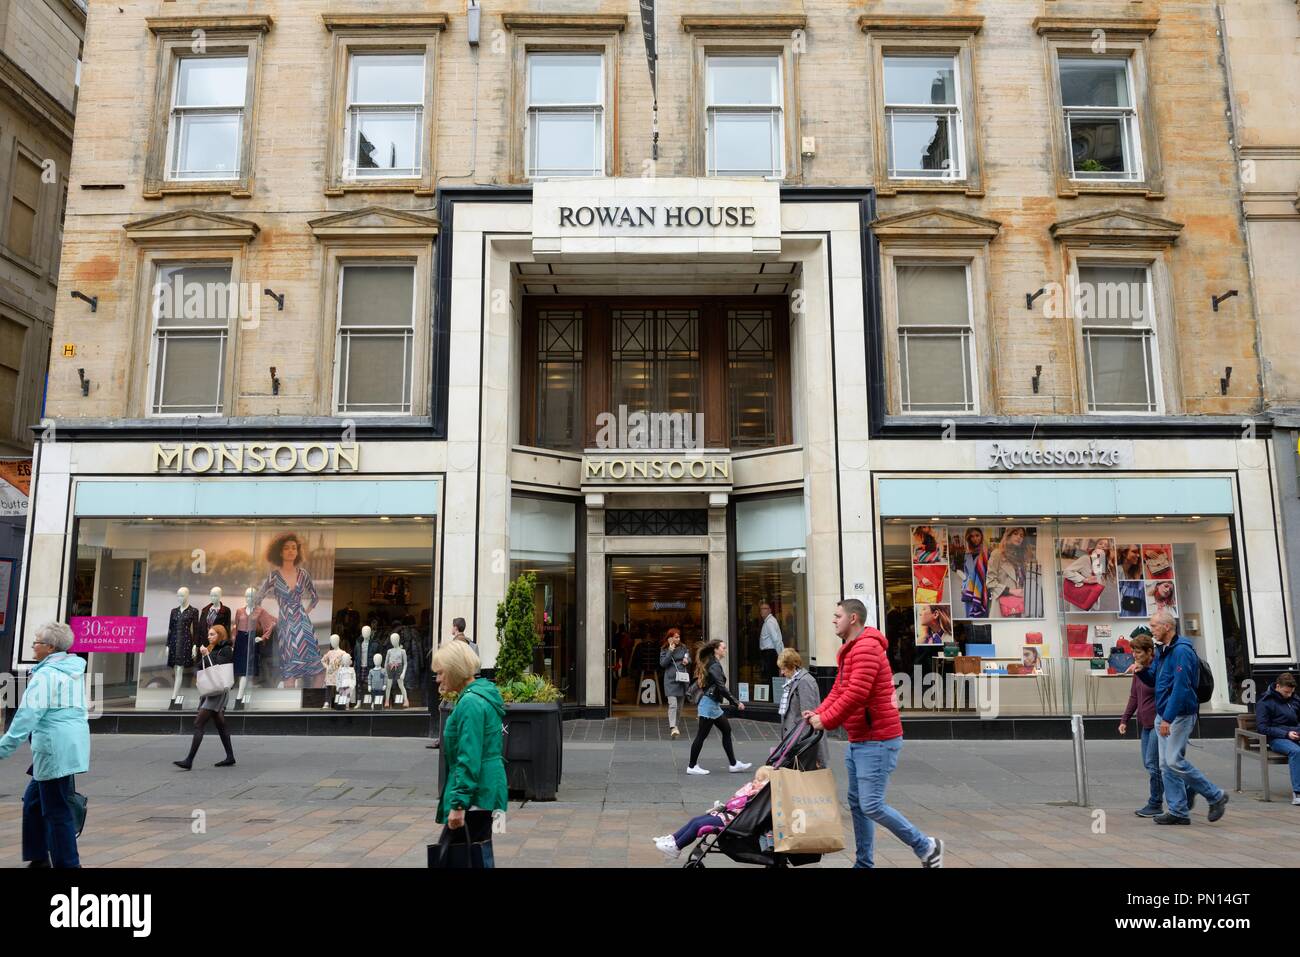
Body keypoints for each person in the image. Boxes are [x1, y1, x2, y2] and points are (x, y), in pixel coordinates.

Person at [806, 599, 944, 869]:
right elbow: (840, 689)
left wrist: (828, 720)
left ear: (853, 618)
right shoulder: (852, 649)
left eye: (838, 616)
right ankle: (864, 864)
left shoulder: (867, 647)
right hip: (861, 738)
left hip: (878, 740)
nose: (834, 620)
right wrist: (818, 712)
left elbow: (857, 693)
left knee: (871, 804)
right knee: (858, 803)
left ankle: (926, 846)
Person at [0, 621, 89, 868]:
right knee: (32, 802)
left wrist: (4, 747)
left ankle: (69, 865)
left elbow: (27, 715)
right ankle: (38, 858)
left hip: (54, 748)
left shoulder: (48, 675)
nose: (33, 645)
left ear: (49, 647)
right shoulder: (70, 669)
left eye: (37, 641)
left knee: (56, 810)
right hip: (67, 746)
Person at [1134, 609, 1228, 825]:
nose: (1152, 631)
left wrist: (1167, 718)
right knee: (1166, 765)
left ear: (1167, 626)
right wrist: (1141, 671)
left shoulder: (1182, 651)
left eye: (1154, 626)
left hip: (1179, 715)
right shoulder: (1163, 650)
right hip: (1164, 715)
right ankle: (1178, 811)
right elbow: (1156, 682)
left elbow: (1181, 688)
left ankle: (1215, 795)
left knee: (1174, 760)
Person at [432, 639, 507, 867]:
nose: (437, 679)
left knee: (461, 857)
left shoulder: (470, 703)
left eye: (441, 672)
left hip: (476, 796)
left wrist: (458, 805)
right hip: (487, 791)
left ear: (454, 670)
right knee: (476, 854)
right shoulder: (480, 696)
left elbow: (469, 756)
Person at [653, 766, 772, 859]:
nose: (754, 781)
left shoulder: (758, 795)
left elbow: (741, 806)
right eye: (755, 778)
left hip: (731, 820)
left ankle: (677, 847)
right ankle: (673, 839)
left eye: (759, 780)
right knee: (695, 820)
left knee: (698, 824)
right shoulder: (754, 792)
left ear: (765, 784)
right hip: (728, 815)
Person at [253, 531, 322, 688]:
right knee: (290, 665)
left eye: (294, 548)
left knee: (315, 666)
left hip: (303, 624)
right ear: (279, 551)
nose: (291, 551)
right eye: (286, 548)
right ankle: (289, 705)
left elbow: (315, 597)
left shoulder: (303, 574)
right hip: (285, 624)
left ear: (297, 551)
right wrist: (270, 618)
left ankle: (312, 704)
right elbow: (258, 598)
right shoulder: (274, 576)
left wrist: (304, 613)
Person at [174, 624, 237, 770]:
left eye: (213, 634)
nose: (209, 637)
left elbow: (218, 668)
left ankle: (189, 760)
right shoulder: (210, 649)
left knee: (198, 723)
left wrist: (206, 655)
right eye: (209, 634)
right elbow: (201, 668)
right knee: (220, 724)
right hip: (210, 690)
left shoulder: (226, 649)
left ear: (220, 635)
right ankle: (230, 756)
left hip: (218, 691)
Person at [687, 640, 751, 775]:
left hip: (712, 704)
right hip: (709, 705)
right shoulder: (714, 665)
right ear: (716, 649)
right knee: (701, 736)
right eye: (723, 648)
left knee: (726, 730)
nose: (725, 650)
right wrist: (736, 702)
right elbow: (721, 687)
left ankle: (733, 764)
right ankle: (692, 766)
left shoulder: (712, 663)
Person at [1119, 629, 1163, 817]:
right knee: (1149, 764)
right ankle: (1185, 787)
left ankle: (1155, 803)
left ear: (1149, 652)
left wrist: (1142, 670)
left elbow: (1155, 685)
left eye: (1138, 652)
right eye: (1133, 652)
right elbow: (1134, 697)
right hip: (1145, 724)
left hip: (1158, 722)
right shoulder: (1138, 670)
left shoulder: (1155, 669)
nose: (1134, 656)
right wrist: (1124, 720)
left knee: (1153, 764)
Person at [775, 648, 829, 768]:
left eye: (784, 668)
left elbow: (809, 718)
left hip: (800, 743)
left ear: (793, 666)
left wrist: (812, 752)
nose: (782, 673)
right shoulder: (793, 681)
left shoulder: (804, 682)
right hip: (794, 741)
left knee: (804, 780)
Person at [1254, 671, 1300, 805]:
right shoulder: (1265, 702)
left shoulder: (1295, 699)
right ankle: (1297, 793)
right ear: (1278, 686)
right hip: (1277, 738)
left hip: (1296, 734)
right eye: (1286, 692)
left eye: (1291, 692)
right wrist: (1286, 734)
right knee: (1296, 752)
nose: (1289, 695)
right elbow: (1262, 728)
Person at [987, 527, 1028, 618]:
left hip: (1018, 604)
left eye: (1021, 535)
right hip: (1002, 605)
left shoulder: (1021, 557)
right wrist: (1011, 591)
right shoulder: (997, 554)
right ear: (1008, 536)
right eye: (1015, 533)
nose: (1019, 537)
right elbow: (990, 582)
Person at [659, 628, 691, 739]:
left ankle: (676, 725)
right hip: (670, 680)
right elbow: (663, 664)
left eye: (679, 637)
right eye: (676, 637)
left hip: (681, 680)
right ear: (670, 638)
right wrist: (670, 650)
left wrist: (687, 660)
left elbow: (688, 657)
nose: (678, 639)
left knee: (679, 707)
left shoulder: (683, 647)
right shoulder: (664, 649)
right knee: (673, 705)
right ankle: (672, 727)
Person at [955, 527, 989, 618]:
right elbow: (959, 570)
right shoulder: (966, 554)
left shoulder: (987, 553)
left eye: (977, 535)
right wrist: (964, 583)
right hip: (968, 590)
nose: (975, 539)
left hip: (983, 590)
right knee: (970, 618)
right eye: (972, 536)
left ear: (981, 536)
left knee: (983, 618)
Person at [758, 601, 785, 682]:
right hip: (769, 654)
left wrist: (780, 656)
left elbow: (776, 640)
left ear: (770, 610)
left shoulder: (770, 622)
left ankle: (771, 694)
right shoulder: (769, 621)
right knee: (770, 677)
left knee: (770, 677)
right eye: (761, 609)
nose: (762, 611)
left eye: (765, 608)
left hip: (770, 654)